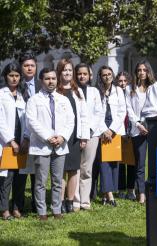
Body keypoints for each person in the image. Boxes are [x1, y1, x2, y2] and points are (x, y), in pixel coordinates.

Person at [26, 68, 75, 220]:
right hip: (42, 145)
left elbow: (70, 121)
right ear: (41, 80)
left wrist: (62, 137)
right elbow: (31, 121)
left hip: (60, 145)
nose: (51, 81)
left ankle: (56, 210)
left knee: (57, 180)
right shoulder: (34, 100)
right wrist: (48, 137)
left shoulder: (63, 99)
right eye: (47, 79)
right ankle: (42, 212)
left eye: (53, 78)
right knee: (40, 181)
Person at [56, 58, 89, 213]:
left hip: (75, 136)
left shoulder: (78, 91)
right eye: (64, 70)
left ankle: (70, 201)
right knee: (61, 169)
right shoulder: (55, 91)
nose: (67, 72)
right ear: (59, 72)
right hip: (61, 136)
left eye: (69, 70)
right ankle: (60, 201)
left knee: (74, 169)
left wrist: (83, 136)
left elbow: (83, 116)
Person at [0, 62, 29, 220]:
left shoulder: (23, 95)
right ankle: (4, 210)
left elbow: (27, 120)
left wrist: (25, 138)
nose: (14, 78)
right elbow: (1, 121)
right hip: (7, 143)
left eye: (17, 76)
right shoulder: (1, 94)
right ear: (6, 77)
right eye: (11, 75)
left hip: (22, 142)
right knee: (6, 177)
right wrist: (11, 141)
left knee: (21, 176)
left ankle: (17, 208)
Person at [73, 63, 103, 210]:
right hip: (75, 135)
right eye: (79, 73)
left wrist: (89, 130)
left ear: (89, 75)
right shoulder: (71, 91)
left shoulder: (94, 91)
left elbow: (99, 112)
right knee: (75, 168)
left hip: (92, 135)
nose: (82, 76)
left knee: (87, 168)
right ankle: (75, 200)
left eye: (85, 74)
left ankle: (85, 201)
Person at [95, 66, 126, 207]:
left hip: (115, 128)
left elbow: (122, 111)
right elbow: (95, 112)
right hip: (101, 128)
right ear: (100, 77)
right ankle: (109, 195)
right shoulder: (97, 91)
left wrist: (112, 130)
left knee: (114, 162)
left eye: (109, 74)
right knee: (104, 162)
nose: (107, 77)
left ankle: (108, 193)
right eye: (104, 75)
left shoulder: (118, 90)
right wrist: (104, 130)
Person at [125, 60, 156, 204]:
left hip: (152, 127)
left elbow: (156, 107)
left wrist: (146, 123)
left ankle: (154, 190)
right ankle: (142, 193)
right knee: (140, 163)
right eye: (139, 70)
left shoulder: (154, 88)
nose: (142, 72)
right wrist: (138, 124)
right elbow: (129, 109)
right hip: (137, 129)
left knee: (155, 161)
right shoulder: (130, 88)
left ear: (148, 71)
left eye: (144, 70)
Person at [15, 52, 39, 213]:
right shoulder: (14, 85)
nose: (29, 68)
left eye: (32, 65)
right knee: (20, 173)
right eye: (26, 65)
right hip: (20, 135)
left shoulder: (42, 84)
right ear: (21, 67)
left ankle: (38, 205)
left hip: (38, 136)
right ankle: (18, 205)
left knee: (38, 173)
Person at [115, 71, 133, 200]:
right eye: (120, 81)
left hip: (131, 132)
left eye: (124, 81)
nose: (122, 83)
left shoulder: (132, 93)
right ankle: (121, 189)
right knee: (120, 163)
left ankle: (131, 189)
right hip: (119, 131)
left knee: (131, 162)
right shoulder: (114, 94)